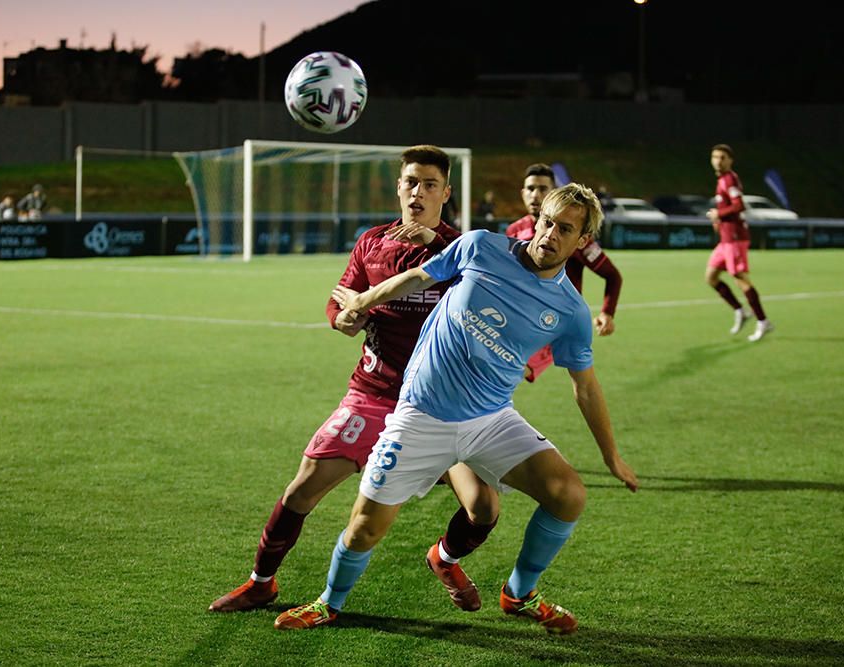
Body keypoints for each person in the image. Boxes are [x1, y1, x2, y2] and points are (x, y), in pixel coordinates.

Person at [275, 183, 639, 635]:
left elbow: (584, 387)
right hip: (420, 415)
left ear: (582, 241)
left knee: (568, 495)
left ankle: (520, 593)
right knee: (366, 526)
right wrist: (363, 300)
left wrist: (611, 457)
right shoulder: (481, 246)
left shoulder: (570, 312)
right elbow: (418, 277)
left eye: (565, 229)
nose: (549, 235)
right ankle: (329, 602)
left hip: (490, 420)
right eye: (546, 221)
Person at [208, 145, 499, 615]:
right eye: (410, 182)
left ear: (446, 192)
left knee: (483, 506)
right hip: (374, 394)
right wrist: (343, 318)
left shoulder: (465, 249)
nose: (417, 192)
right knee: (303, 487)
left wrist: (434, 246)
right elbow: (339, 298)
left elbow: (488, 296)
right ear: (398, 187)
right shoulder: (372, 242)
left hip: (441, 405)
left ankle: (444, 558)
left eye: (429, 184)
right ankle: (261, 582)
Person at [506, 164, 622, 382]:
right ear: (523, 193)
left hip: (552, 323)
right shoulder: (514, 231)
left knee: (505, 372)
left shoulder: (574, 240)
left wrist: (607, 312)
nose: (536, 195)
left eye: (543, 189)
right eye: (530, 189)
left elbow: (613, 275)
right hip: (518, 319)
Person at [704, 144, 774, 342]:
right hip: (725, 240)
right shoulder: (721, 180)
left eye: (722, 157)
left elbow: (739, 205)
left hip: (735, 239)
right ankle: (740, 311)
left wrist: (720, 214)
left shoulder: (729, 179)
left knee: (740, 279)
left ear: (730, 160)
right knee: (711, 277)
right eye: (715, 157)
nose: (718, 161)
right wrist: (718, 220)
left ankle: (763, 321)